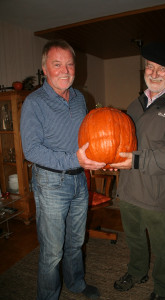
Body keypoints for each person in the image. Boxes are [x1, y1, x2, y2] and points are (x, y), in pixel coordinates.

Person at [110, 42, 165, 300]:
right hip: (128, 190)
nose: (155, 73)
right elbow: (124, 141)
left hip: (158, 194)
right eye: (150, 66)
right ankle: (137, 272)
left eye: (162, 69)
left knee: (163, 245)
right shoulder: (136, 104)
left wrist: (135, 160)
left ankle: (163, 288)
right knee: (134, 237)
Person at [20, 39, 105, 300]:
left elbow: (87, 137)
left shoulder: (81, 98)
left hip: (80, 181)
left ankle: (76, 283)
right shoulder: (34, 103)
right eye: (57, 64)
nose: (65, 70)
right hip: (50, 183)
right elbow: (31, 151)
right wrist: (75, 160)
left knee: (75, 243)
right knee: (52, 251)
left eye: (69, 64)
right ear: (45, 68)